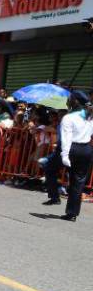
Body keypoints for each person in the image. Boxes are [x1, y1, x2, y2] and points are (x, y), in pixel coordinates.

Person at [58, 90, 93, 222]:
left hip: (74, 149)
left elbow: (66, 139)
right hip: (86, 149)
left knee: (74, 181)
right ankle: (72, 213)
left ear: (75, 101)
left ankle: (71, 212)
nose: (68, 100)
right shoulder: (90, 116)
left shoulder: (68, 118)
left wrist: (64, 155)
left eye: (70, 98)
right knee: (79, 182)